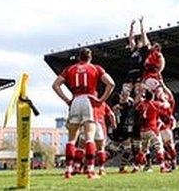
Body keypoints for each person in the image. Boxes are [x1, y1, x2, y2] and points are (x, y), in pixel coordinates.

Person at [52, 48, 115, 179]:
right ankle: (91, 171)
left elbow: (55, 85)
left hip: (75, 100)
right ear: (90, 57)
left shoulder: (69, 69)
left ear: (78, 57)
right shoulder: (96, 68)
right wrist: (101, 99)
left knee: (71, 139)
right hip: (89, 100)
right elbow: (111, 83)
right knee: (89, 137)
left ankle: (68, 171)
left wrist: (67, 100)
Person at [133, 84, 171, 173]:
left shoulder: (141, 104)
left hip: (143, 130)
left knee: (143, 149)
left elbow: (137, 109)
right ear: (153, 96)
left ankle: (136, 166)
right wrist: (164, 98)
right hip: (152, 129)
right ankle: (162, 167)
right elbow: (167, 106)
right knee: (159, 147)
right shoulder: (155, 104)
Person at [111, 83, 140, 173]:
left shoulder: (116, 106)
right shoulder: (128, 105)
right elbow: (134, 102)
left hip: (116, 130)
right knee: (128, 150)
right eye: (125, 95)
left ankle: (100, 165)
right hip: (123, 130)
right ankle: (122, 167)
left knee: (112, 151)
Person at [125, 19, 150, 96]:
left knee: (137, 90)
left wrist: (141, 23)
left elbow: (143, 35)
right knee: (125, 90)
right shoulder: (134, 50)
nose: (138, 42)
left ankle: (140, 103)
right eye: (138, 41)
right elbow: (131, 39)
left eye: (140, 41)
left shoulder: (144, 50)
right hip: (131, 72)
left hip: (139, 72)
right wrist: (131, 27)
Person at [93, 101, 117, 175]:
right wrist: (113, 124)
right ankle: (101, 168)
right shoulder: (103, 103)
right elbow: (111, 115)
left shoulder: (89, 103)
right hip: (101, 127)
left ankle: (85, 167)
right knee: (101, 148)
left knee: (87, 146)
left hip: (90, 125)